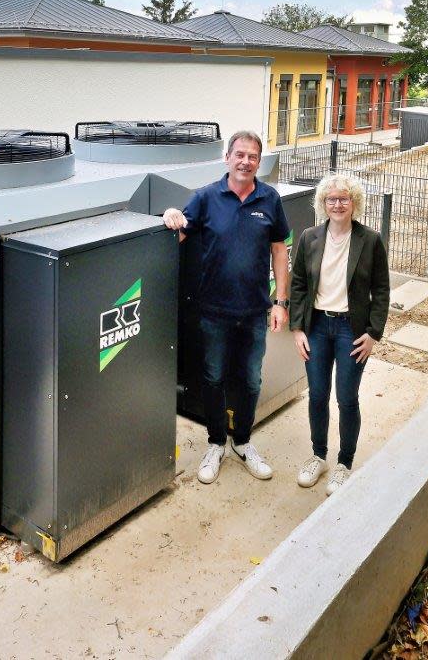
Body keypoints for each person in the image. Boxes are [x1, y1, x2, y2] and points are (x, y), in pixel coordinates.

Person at [162, 130, 290, 484]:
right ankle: (216, 443)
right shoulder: (205, 197)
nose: (246, 161)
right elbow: (180, 230)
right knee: (214, 378)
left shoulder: (270, 199)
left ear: (258, 162)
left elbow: (280, 250)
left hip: (253, 311)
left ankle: (244, 442)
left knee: (250, 380)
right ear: (227, 158)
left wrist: (280, 301)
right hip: (213, 311)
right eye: (240, 155)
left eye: (252, 156)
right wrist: (171, 214)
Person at [288, 173, 390, 495]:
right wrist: (297, 329)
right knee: (317, 395)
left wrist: (373, 333)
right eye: (331, 199)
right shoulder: (309, 237)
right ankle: (318, 456)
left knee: (346, 398)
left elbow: (381, 290)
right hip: (317, 327)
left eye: (344, 198)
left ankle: (344, 463)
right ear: (323, 203)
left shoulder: (370, 240)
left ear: (354, 202)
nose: (337, 204)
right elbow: (300, 285)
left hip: (351, 330)